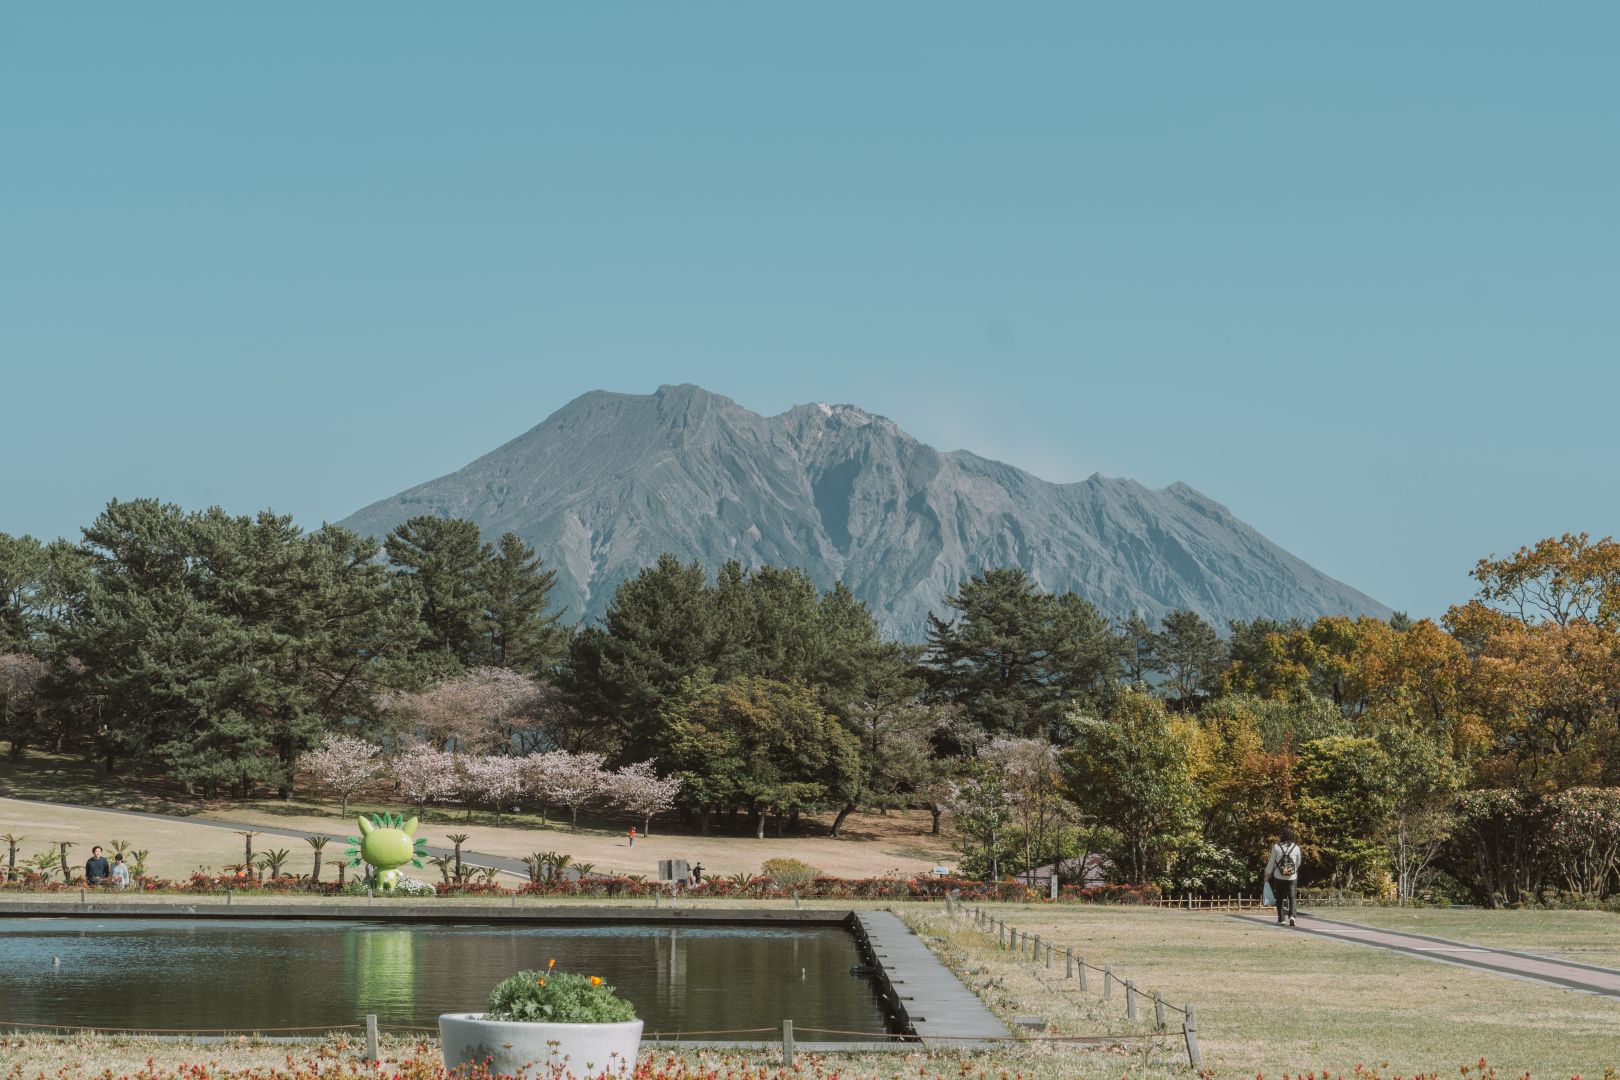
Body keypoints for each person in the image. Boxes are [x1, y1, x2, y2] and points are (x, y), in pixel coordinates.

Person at [1265, 827, 1303, 926]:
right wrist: (1293, 870)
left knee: (1280, 897)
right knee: (1292, 897)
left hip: (1278, 876)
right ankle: (1292, 916)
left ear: (1282, 836)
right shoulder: (1296, 847)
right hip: (1292, 877)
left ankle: (1281, 919)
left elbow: (1271, 861)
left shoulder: (1276, 847)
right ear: (1292, 836)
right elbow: (1298, 862)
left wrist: (1267, 874)